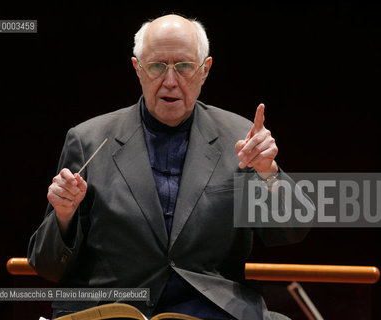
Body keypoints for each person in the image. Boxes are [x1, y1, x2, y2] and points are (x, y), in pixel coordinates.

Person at [28, 14, 309, 320]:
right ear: (138, 69)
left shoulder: (241, 137)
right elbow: (46, 265)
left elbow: (291, 231)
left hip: (211, 310)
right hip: (114, 310)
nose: (171, 81)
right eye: (157, 66)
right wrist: (65, 215)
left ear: (205, 71)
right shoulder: (89, 140)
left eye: (185, 66)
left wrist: (269, 173)